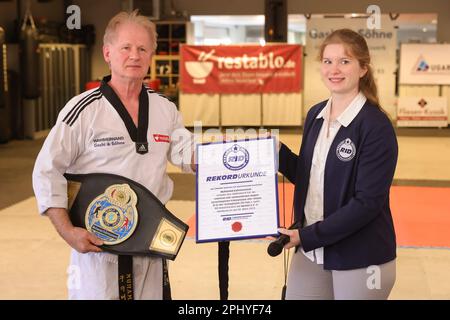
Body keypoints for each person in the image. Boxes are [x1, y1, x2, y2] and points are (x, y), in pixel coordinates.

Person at [32, 10, 195, 300]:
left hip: (149, 243)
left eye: (143, 48)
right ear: (107, 52)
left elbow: (188, 153)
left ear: (151, 55)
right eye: (126, 47)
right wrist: (69, 232)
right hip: (98, 249)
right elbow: (47, 170)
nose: (135, 55)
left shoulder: (164, 108)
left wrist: (239, 160)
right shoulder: (83, 110)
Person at [277, 29, 398, 300]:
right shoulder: (315, 115)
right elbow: (313, 177)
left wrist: (307, 236)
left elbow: (367, 203)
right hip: (312, 251)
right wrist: (277, 154)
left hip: (361, 257)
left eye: (345, 61)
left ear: (363, 68)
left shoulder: (375, 126)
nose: (335, 69)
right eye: (328, 61)